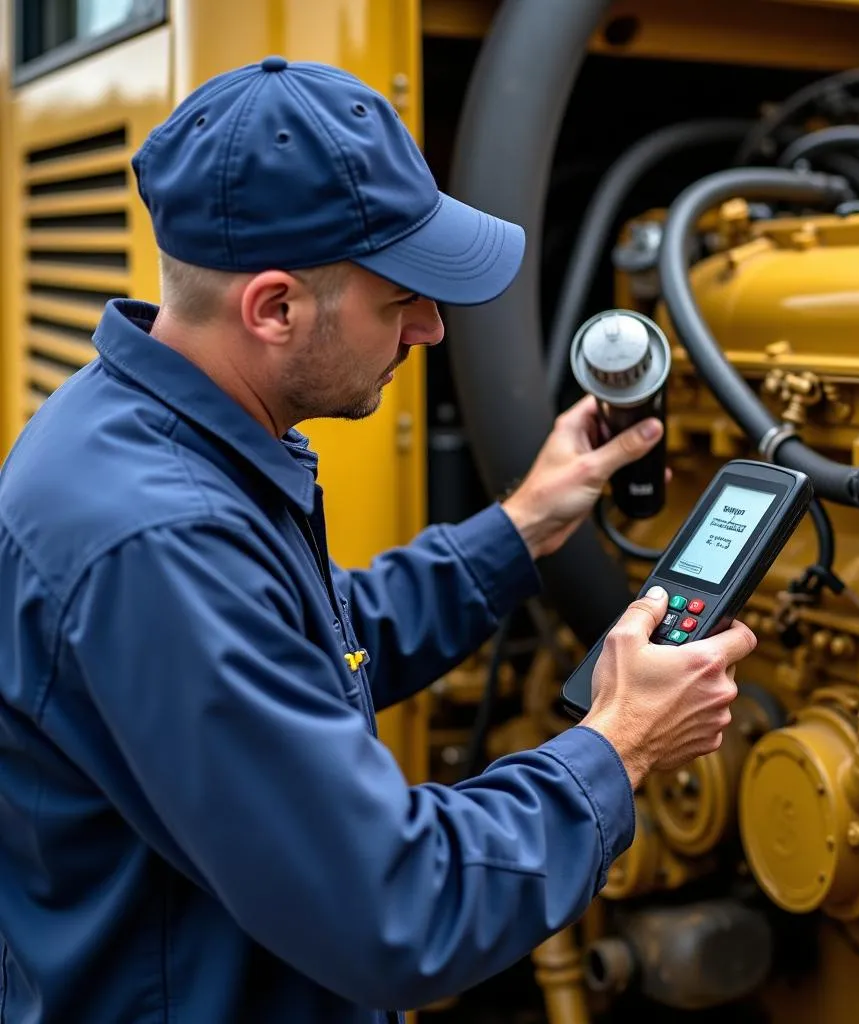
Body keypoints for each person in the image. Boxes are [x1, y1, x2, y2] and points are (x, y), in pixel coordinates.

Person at [0, 57, 756, 1023]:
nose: (434, 330)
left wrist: (522, 527)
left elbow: (301, 652)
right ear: (273, 308)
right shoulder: (157, 538)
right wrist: (620, 744)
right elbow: (400, 909)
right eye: (401, 298)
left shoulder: (161, 429)